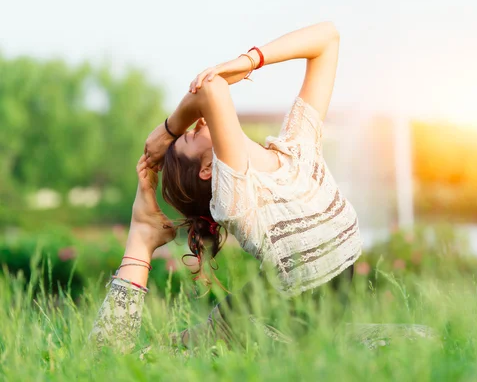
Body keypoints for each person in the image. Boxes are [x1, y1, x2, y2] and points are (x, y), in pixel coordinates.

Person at [91, 22, 362, 350]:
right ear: (208, 169)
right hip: (259, 329)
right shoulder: (236, 198)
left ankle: (146, 238)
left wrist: (250, 60)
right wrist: (167, 131)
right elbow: (211, 90)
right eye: (192, 135)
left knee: (163, 351)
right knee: (111, 362)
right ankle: (142, 235)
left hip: (260, 316)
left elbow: (326, 39)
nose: (200, 120)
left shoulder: (298, 148)